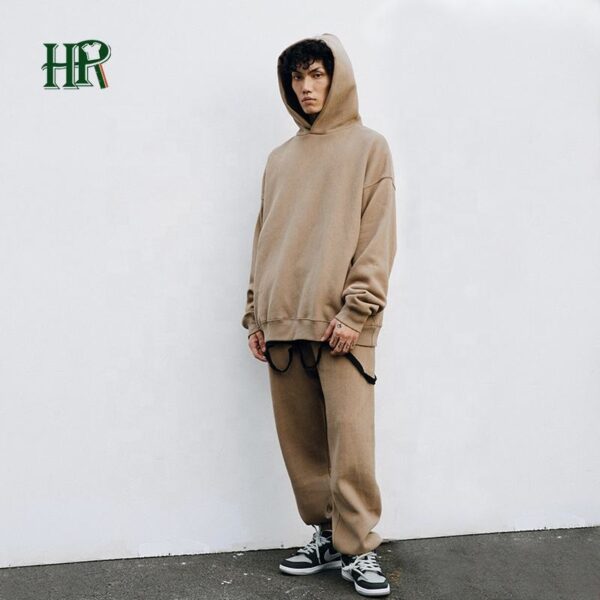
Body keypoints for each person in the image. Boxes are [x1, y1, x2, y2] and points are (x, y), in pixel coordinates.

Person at [241, 32, 397, 597]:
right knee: (303, 447)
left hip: (342, 325)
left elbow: (377, 238)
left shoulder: (369, 147)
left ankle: (359, 547)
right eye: (297, 77)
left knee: (350, 444)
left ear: (337, 78)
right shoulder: (279, 159)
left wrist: (357, 312)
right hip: (283, 323)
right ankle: (327, 537)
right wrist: (256, 314)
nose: (306, 87)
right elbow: (264, 238)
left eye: (316, 74)